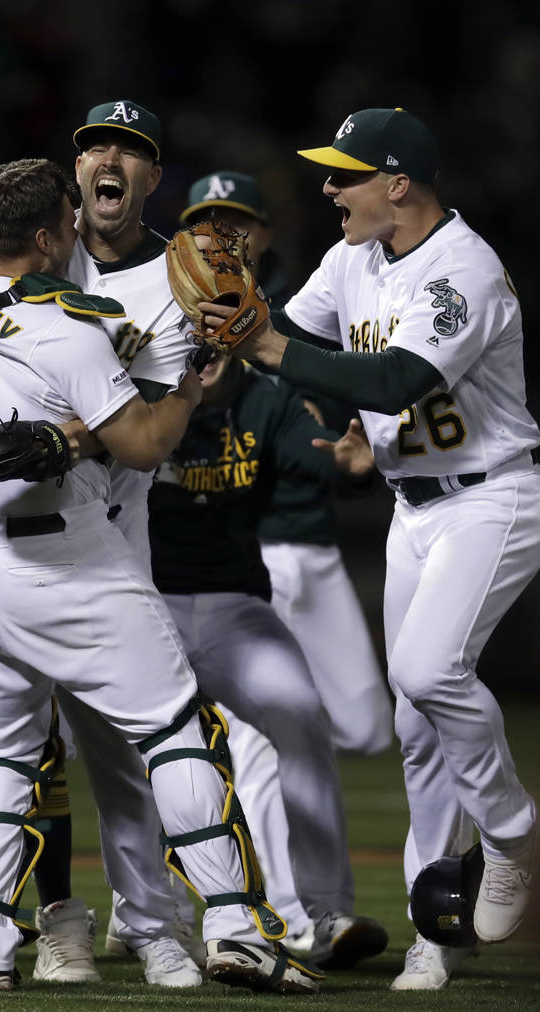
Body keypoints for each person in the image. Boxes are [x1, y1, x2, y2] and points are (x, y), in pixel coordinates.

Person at [0, 156, 322, 995]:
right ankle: (236, 927)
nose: (75, 231)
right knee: (178, 730)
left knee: (3, 757)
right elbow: (141, 442)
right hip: (65, 554)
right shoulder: (69, 325)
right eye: (63, 220)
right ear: (43, 236)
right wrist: (188, 387)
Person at [206, 106, 540, 990]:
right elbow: (285, 328)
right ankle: (440, 923)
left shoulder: (462, 270)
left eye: (345, 174)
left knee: (431, 671)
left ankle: (510, 833)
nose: (327, 188)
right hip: (411, 502)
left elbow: (398, 378)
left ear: (399, 183)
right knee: (413, 722)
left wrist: (266, 344)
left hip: (492, 494)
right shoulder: (353, 257)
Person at [0, 102, 209, 989]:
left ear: (152, 178)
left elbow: (163, 415)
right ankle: (39, 924)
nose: (109, 159)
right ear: (72, 187)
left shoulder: (182, 274)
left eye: (132, 151)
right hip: (8, 535)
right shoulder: (19, 242)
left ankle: (151, 926)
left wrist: (207, 377)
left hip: (110, 529)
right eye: (94, 147)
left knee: (118, 750)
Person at [147, 344, 389, 970]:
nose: (200, 346)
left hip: (234, 606)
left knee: (302, 716)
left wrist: (350, 468)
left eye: (212, 328)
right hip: (142, 605)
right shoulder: (136, 388)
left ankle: (324, 912)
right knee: (134, 760)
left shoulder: (267, 399)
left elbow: (317, 460)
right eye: (186, 330)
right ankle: (146, 918)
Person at [180, 170, 393, 758]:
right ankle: (252, 837)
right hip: (241, 546)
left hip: (312, 538)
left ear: (265, 233)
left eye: (236, 223)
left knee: (370, 728)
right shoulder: (175, 321)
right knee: (254, 730)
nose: (221, 236)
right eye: (204, 225)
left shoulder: (309, 312)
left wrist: (352, 471)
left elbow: (334, 434)